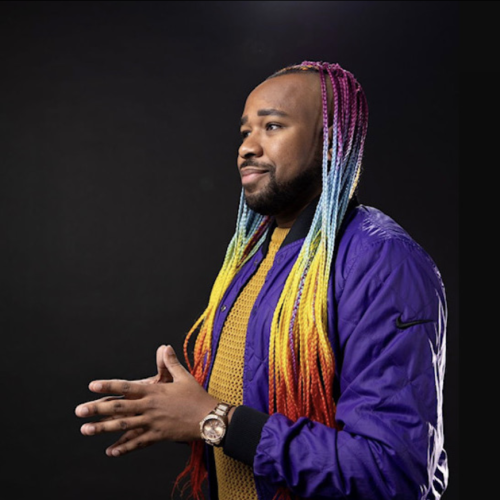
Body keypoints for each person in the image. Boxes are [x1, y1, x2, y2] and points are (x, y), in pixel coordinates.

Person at [75, 61, 448, 500]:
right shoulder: (252, 254)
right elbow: (251, 407)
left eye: (272, 126)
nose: (247, 148)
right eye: (245, 132)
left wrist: (215, 420)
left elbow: (393, 474)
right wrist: (178, 407)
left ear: (330, 143)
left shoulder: (384, 261)